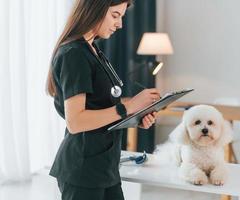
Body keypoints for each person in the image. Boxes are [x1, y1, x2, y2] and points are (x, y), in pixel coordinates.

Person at [45, 0, 160, 199]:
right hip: (83, 170)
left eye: (122, 17)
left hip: (105, 167)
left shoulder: (94, 51)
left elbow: (101, 107)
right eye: (115, 15)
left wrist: (136, 116)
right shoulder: (74, 54)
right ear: (94, 10)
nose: (120, 24)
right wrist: (129, 106)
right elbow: (76, 121)